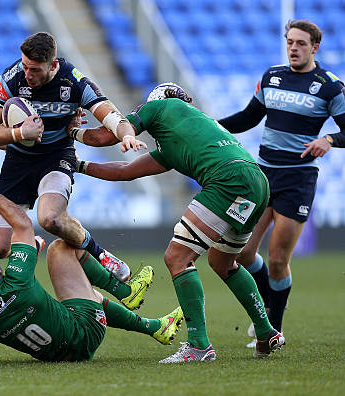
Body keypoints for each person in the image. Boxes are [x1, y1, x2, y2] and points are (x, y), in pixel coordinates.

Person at [71, 83, 285, 363]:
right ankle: (266, 330)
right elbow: (125, 171)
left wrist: (68, 131)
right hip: (256, 181)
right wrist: (78, 165)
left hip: (226, 180)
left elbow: (106, 136)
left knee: (177, 258)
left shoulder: (159, 106)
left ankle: (198, 345)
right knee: (224, 263)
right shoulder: (182, 138)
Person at [0, 177, 183, 363]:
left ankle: (155, 327)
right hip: (85, 333)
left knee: (85, 294)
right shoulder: (17, 278)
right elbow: (22, 223)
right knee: (60, 248)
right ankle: (125, 291)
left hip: (58, 357)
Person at [0, 32, 145, 283]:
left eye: (34, 69)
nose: (27, 74)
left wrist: (127, 136)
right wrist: (20, 132)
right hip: (18, 160)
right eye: (24, 66)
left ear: (53, 65)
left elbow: (112, 116)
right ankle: (32, 243)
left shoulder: (73, 80)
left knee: (50, 219)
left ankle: (99, 254)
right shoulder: (12, 77)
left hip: (56, 157)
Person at [217, 20, 345, 346]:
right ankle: (271, 302)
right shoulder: (272, 76)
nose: (293, 48)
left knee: (277, 260)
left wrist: (330, 138)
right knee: (243, 252)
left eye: (301, 43)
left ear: (315, 47)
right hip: (262, 175)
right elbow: (248, 117)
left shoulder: (330, 86)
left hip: (298, 179)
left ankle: (272, 328)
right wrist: (209, 125)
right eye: (290, 42)